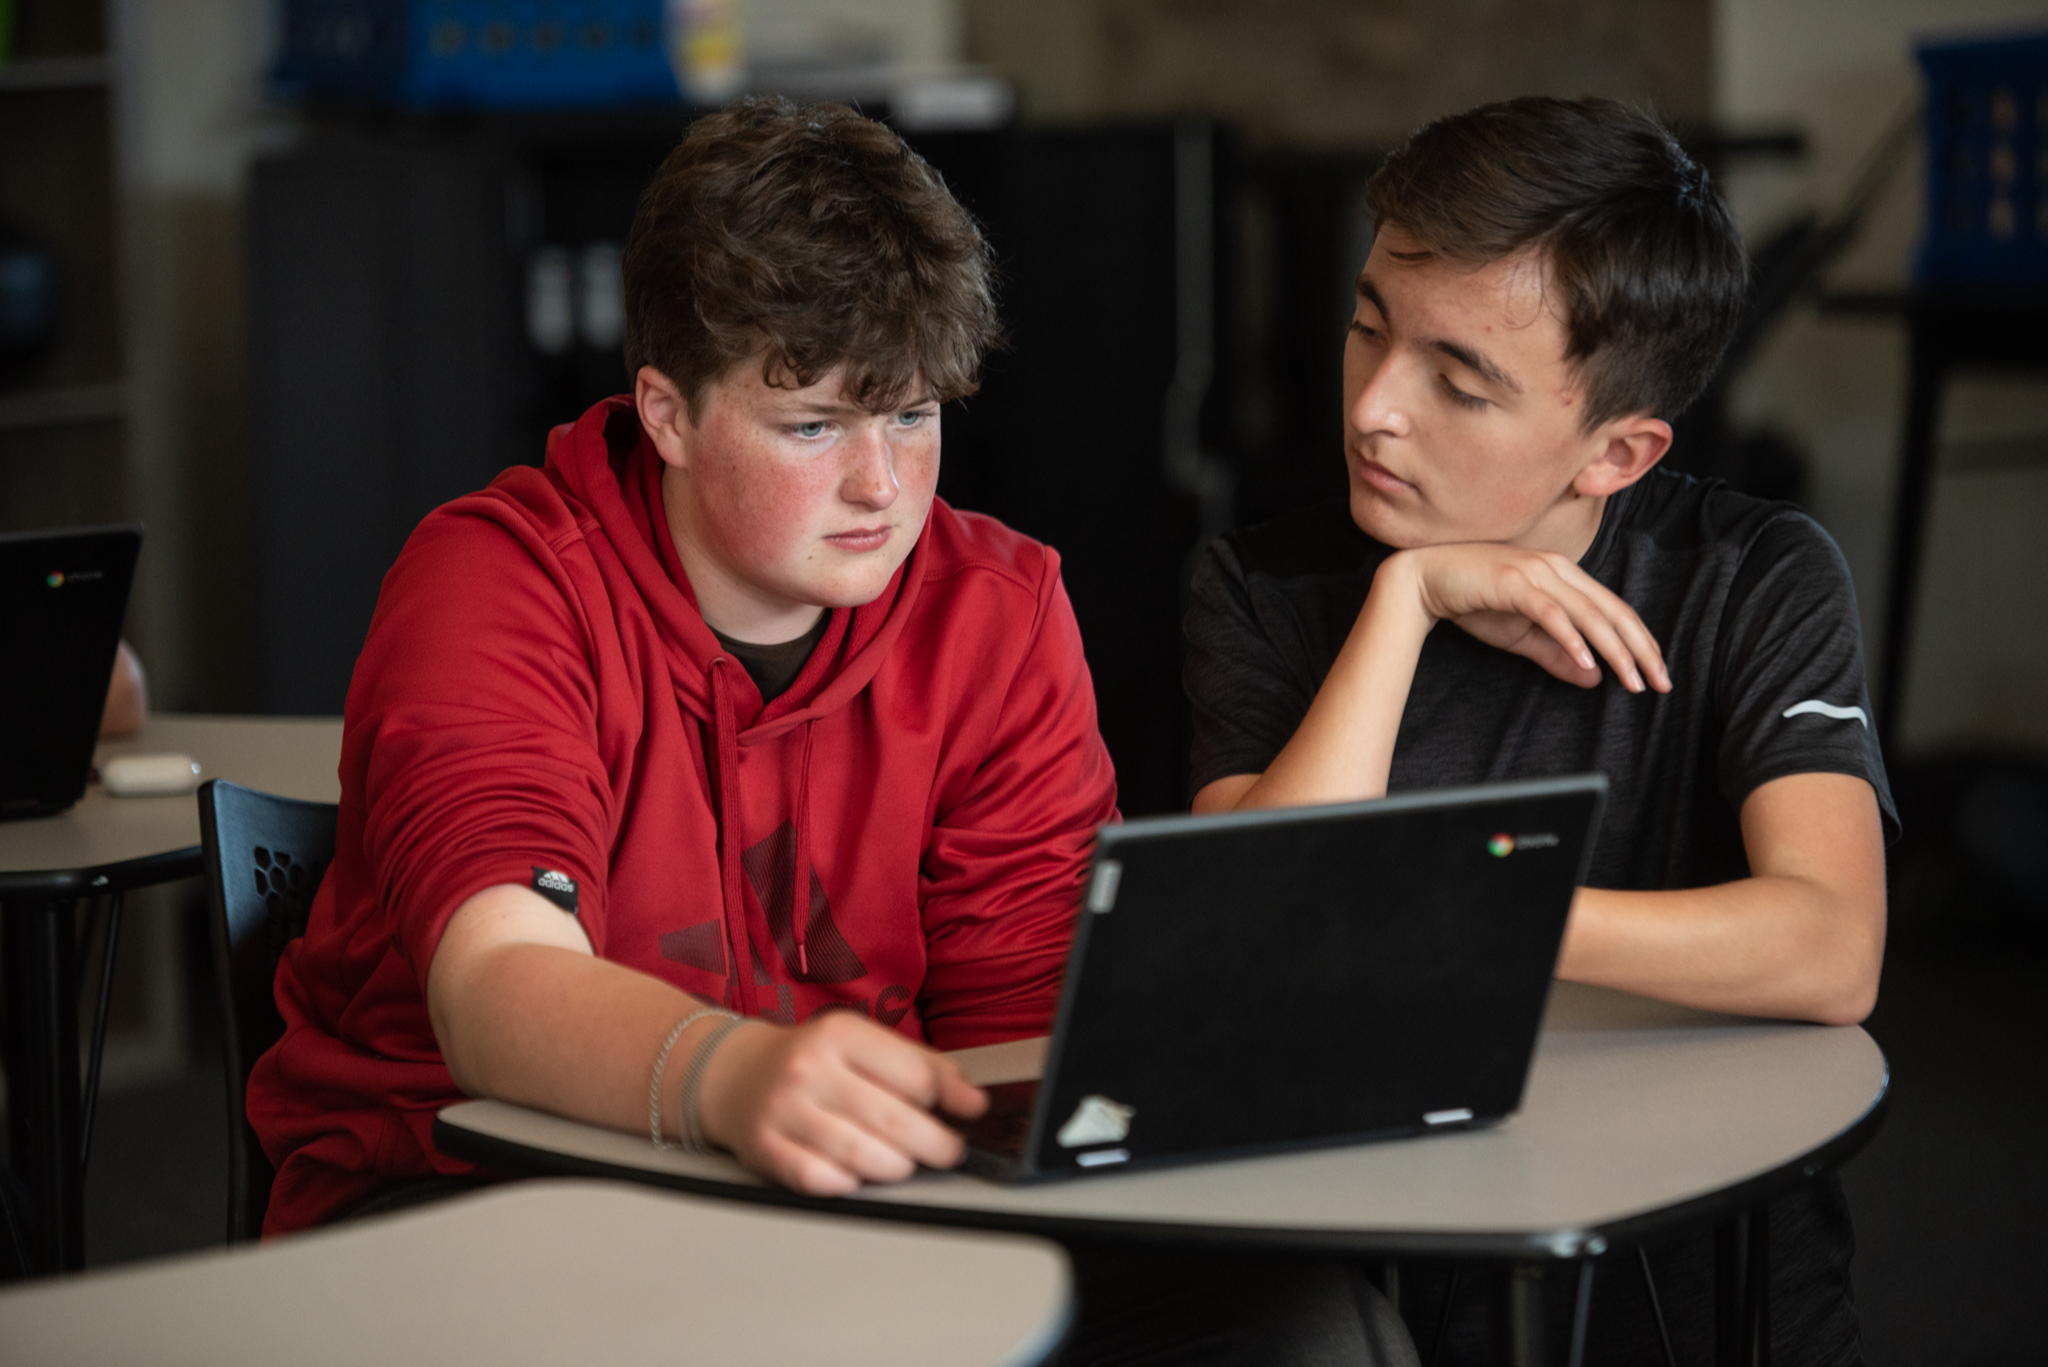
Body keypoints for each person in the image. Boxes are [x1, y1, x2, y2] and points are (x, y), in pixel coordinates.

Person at [251, 98, 1412, 1367]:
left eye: (910, 416)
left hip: (859, 1202)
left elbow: (1012, 1030)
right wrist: (730, 1077)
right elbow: (491, 985)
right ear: (667, 413)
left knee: (1303, 1318)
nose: (881, 484)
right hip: (480, 1199)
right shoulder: (499, 579)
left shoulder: (997, 608)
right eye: (813, 426)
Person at [1184, 97, 1893, 1366]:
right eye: (1364, 329)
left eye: (1457, 381)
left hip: (1707, 1268)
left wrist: (1457, 911)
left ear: (1613, 453)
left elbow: (1830, 945)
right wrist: (1405, 600)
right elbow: (1254, 935)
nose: (1373, 409)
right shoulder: (1261, 587)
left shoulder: (1751, 573)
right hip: (1383, 1254)